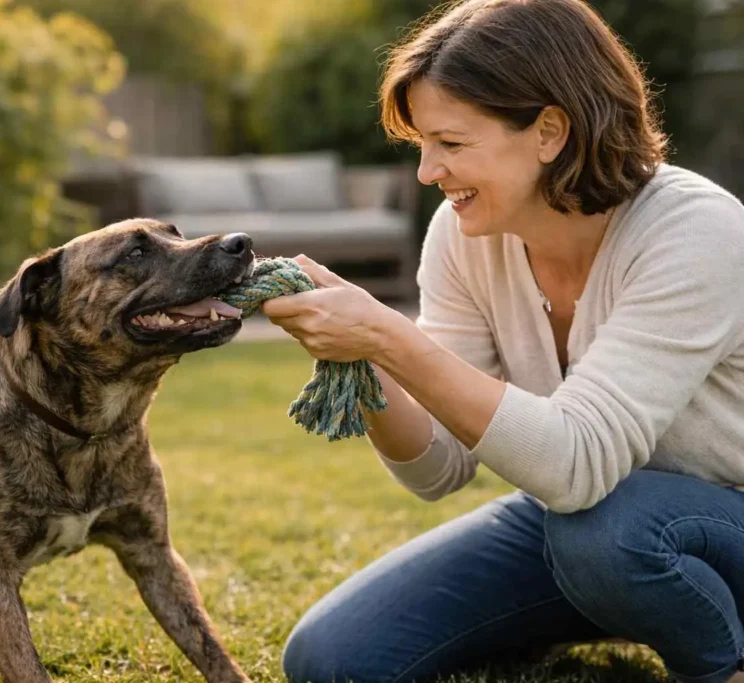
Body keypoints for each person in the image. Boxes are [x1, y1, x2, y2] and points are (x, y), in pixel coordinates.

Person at [264, 1, 744, 682]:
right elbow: (436, 468)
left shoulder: (696, 234)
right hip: (584, 524)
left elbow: (574, 465)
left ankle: (724, 662)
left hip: (708, 518)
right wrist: (364, 354)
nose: (429, 172)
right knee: (333, 658)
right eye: (423, 145)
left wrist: (389, 334)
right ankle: (606, 600)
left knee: (604, 531)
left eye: (451, 145)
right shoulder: (466, 237)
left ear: (549, 131)